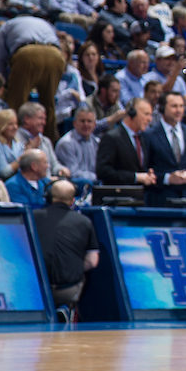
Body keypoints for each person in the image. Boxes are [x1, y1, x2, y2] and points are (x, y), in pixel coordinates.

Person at [0, 15, 66, 140]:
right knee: (49, 105)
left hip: (28, 54)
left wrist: (3, 83)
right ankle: (49, 143)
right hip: (56, 56)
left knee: (16, 103)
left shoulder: (6, 26)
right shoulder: (44, 22)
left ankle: (15, 141)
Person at [32, 180, 100, 314]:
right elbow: (92, 261)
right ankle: (66, 308)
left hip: (36, 289)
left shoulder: (32, 217)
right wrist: (73, 268)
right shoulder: (84, 222)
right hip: (67, 290)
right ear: (72, 201)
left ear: (50, 197)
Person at [144, 92, 186, 207]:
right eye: (174, 106)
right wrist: (167, 178)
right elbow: (145, 167)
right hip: (159, 199)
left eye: (181, 106)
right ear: (162, 108)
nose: (179, 110)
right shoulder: (149, 134)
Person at [96, 97, 157, 187]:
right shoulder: (112, 137)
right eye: (146, 114)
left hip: (139, 197)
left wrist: (148, 175)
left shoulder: (142, 139)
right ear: (132, 113)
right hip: (119, 197)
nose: (150, 119)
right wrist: (135, 177)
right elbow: (103, 171)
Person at [55, 106, 99, 184]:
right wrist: (98, 177)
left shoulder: (97, 142)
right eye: (82, 121)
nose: (86, 124)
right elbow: (74, 174)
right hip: (73, 187)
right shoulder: (66, 144)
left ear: (94, 124)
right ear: (74, 123)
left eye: (89, 121)